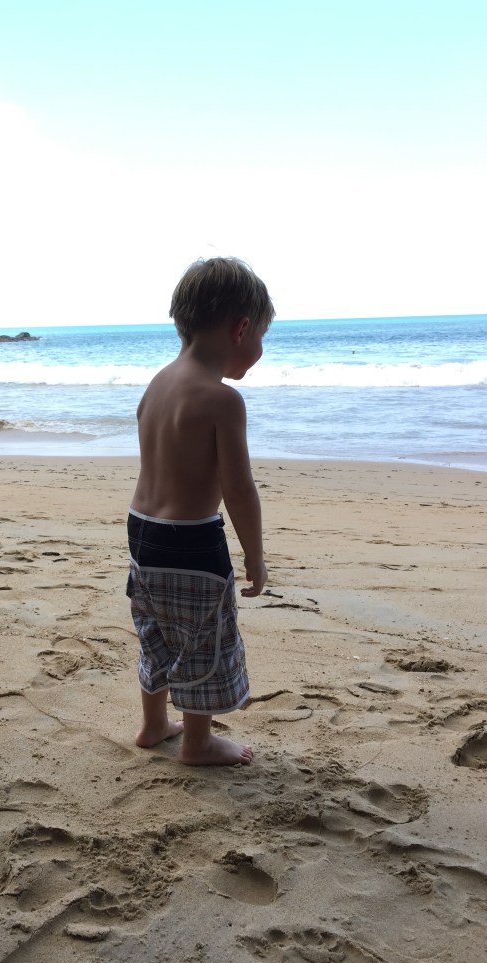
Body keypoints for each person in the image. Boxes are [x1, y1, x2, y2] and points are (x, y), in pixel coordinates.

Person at [126, 257, 275, 766]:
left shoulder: (158, 383)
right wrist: (255, 556)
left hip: (141, 532)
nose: (260, 349)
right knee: (203, 637)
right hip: (192, 540)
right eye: (262, 337)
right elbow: (239, 490)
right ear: (242, 329)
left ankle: (153, 724)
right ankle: (198, 742)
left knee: (157, 631)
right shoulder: (222, 400)